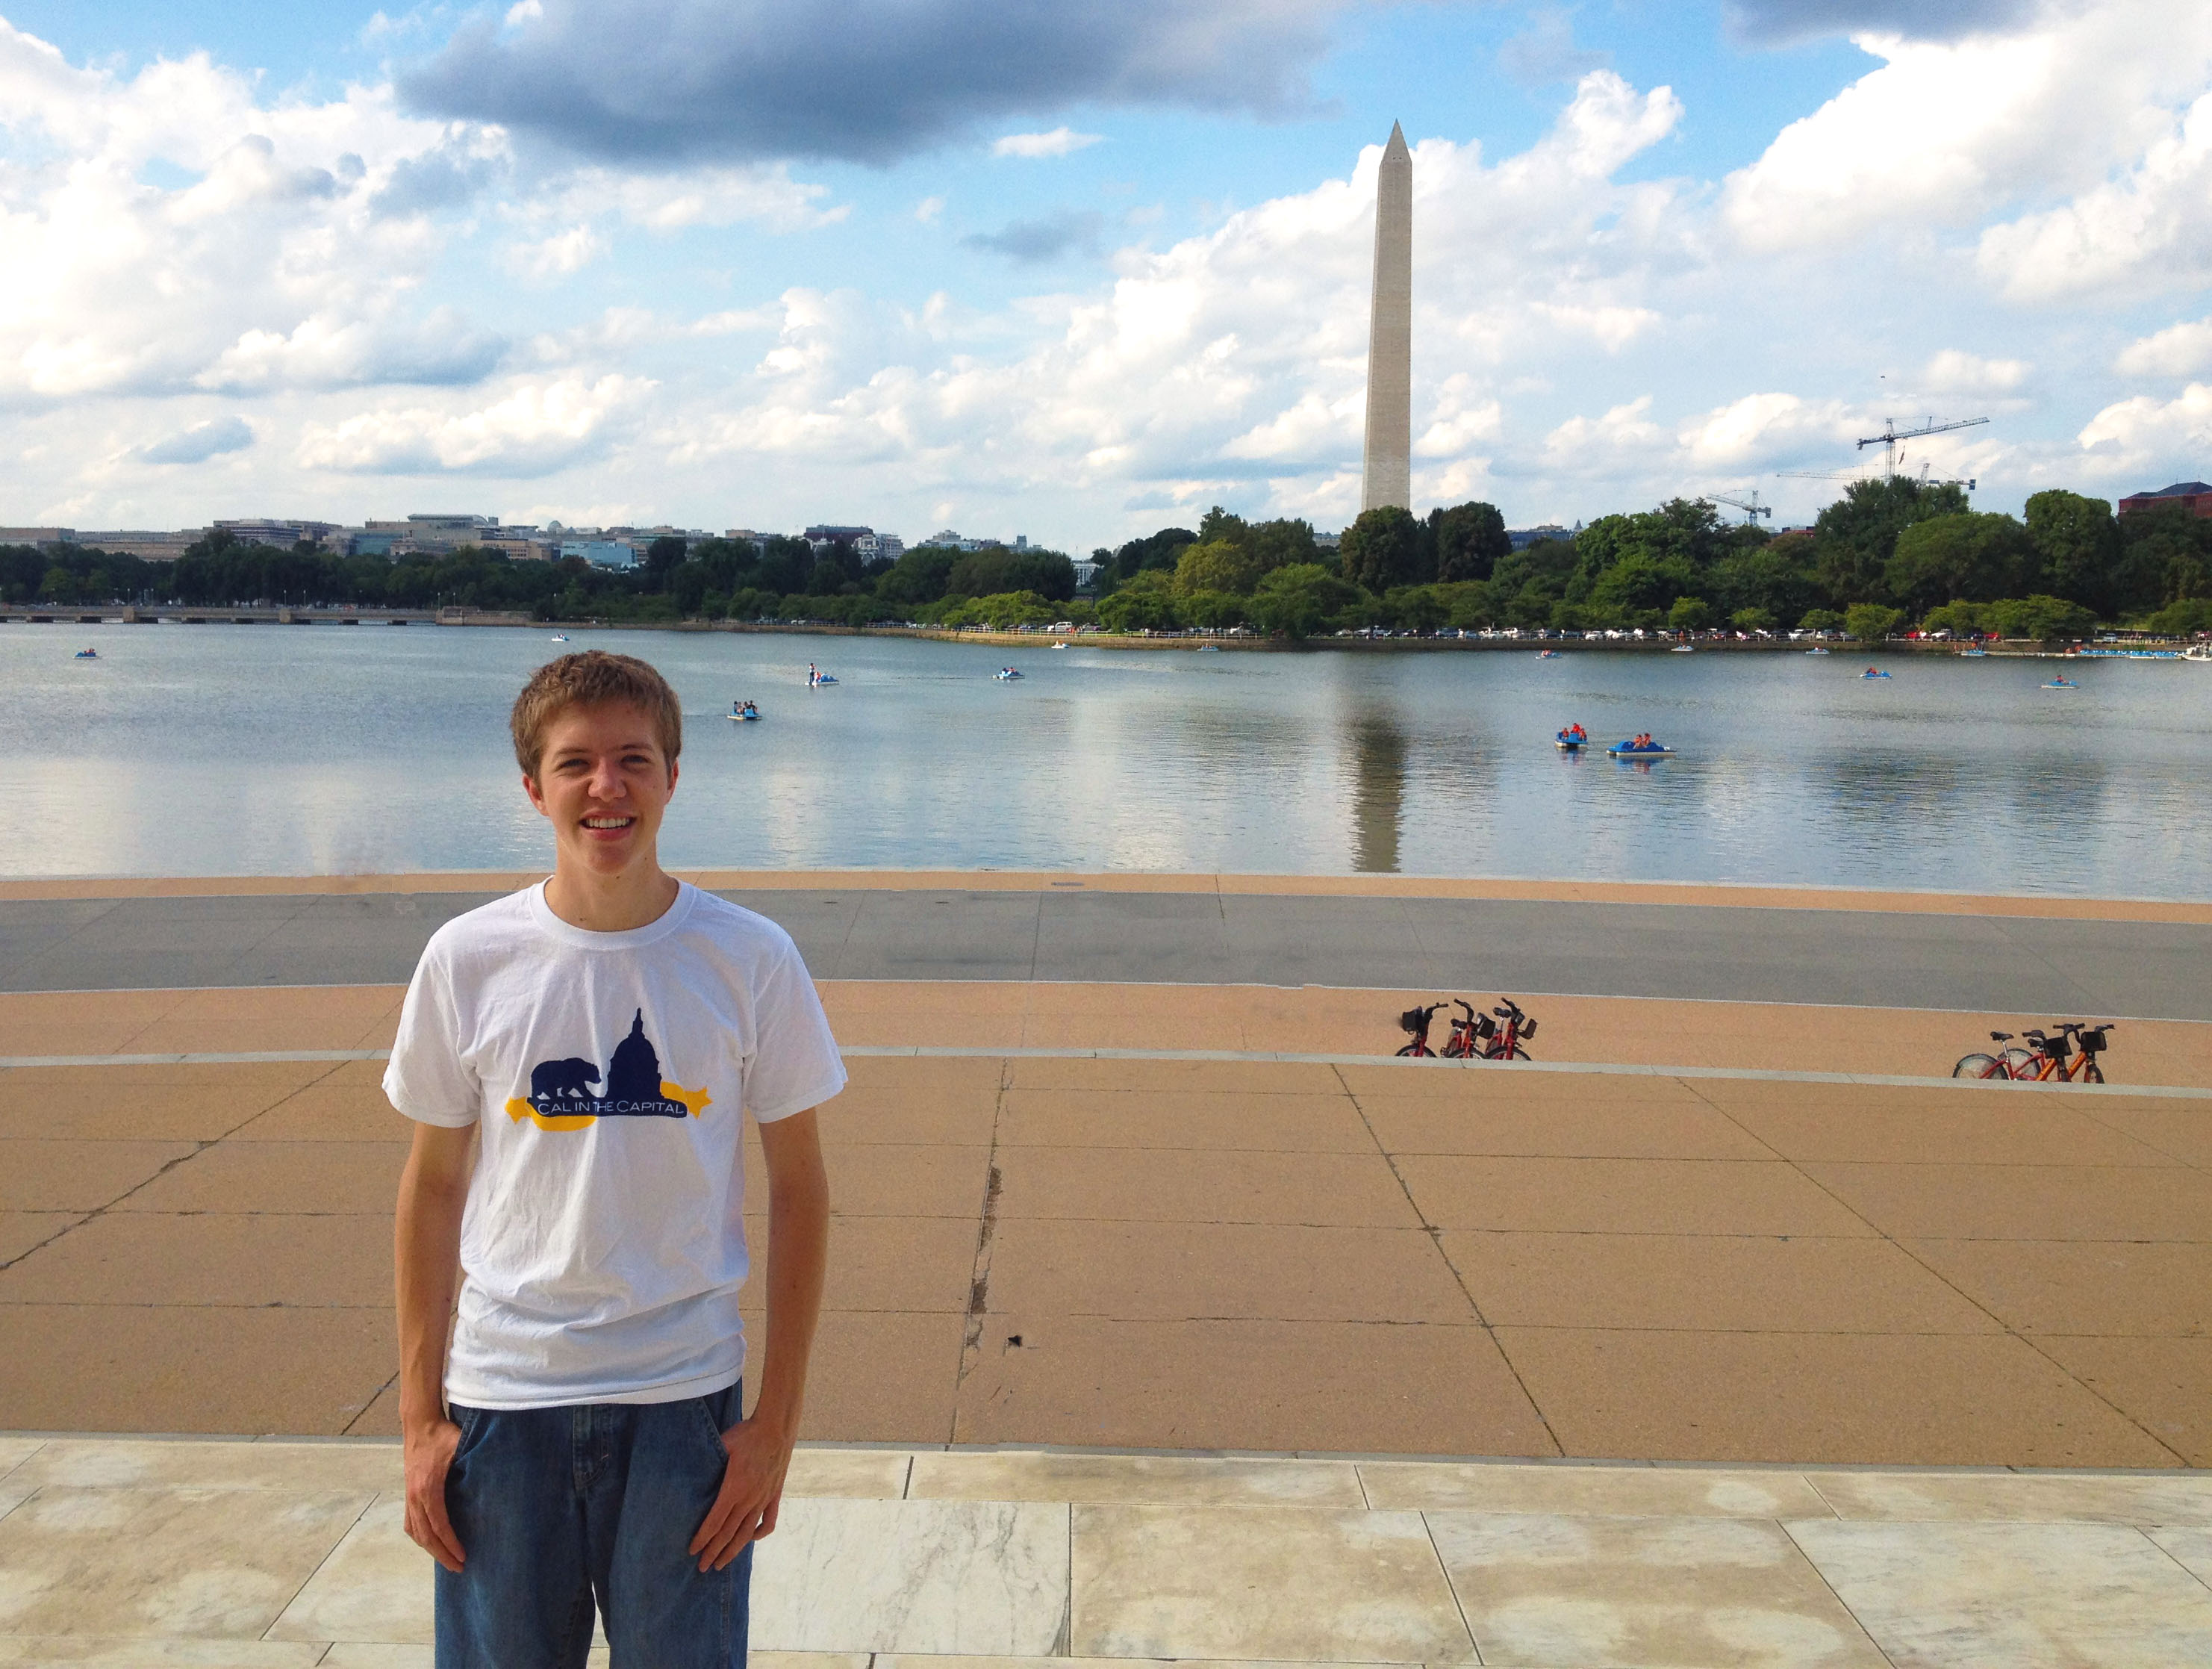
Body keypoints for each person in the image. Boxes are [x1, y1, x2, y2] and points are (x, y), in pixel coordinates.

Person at [389, 650, 840, 1668]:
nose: (607, 788)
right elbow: (432, 1191)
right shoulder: (468, 959)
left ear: (674, 777)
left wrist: (776, 1426)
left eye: (633, 760)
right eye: (576, 763)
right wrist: (419, 1419)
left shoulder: (750, 957)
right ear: (532, 788)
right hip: (505, 1402)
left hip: (684, 1407)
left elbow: (803, 1193)